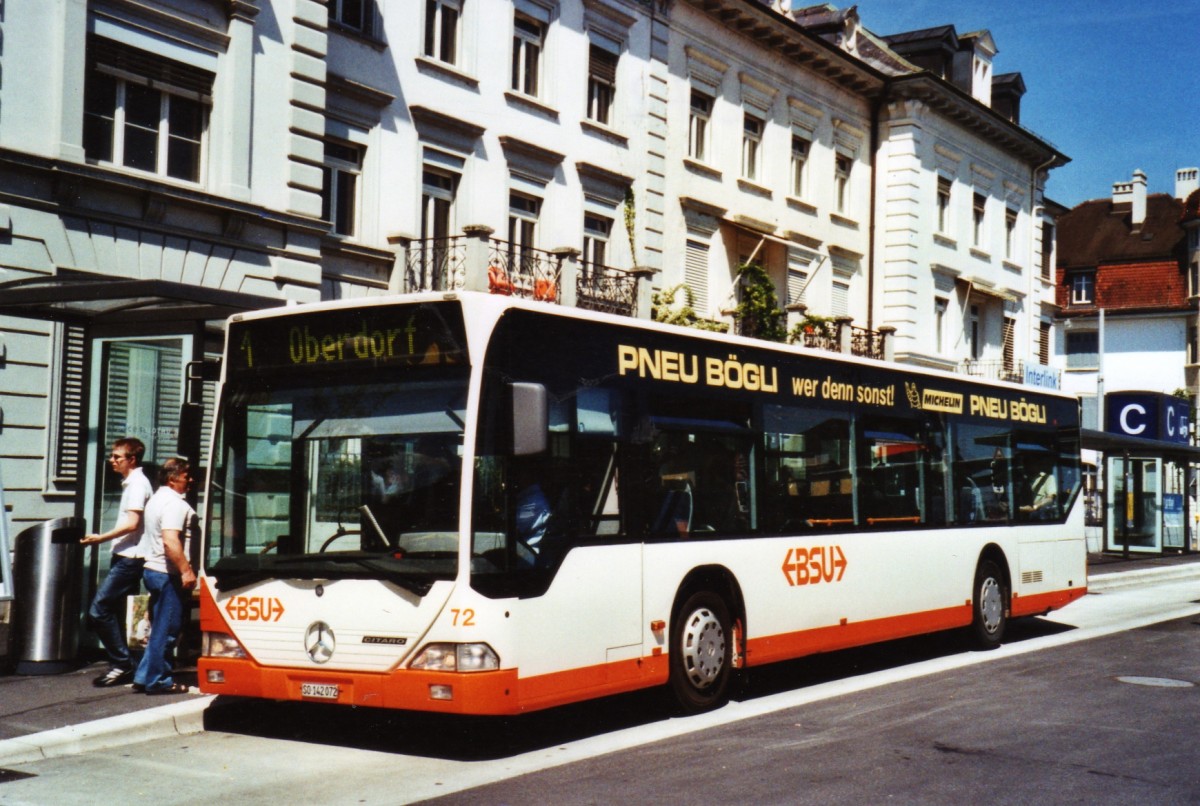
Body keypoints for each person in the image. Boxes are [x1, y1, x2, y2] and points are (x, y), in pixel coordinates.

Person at [81, 437, 153, 687]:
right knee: (124, 614)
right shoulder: (132, 483)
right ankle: (133, 665)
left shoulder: (137, 485)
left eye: (117, 457)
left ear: (132, 460)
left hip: (130, 558)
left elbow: (133, 523)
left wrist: (100, 538)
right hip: (126, 555)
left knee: (99, 610)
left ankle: (122, 664)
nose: (112, 461)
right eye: (112, 456)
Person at [134, 457, 197, 695]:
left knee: (159, 628)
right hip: (168, 573)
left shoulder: (156, 500)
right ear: (173, 478)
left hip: (153, 570)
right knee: (168, 631)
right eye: (186, 475)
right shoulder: (174, 504)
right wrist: (186, 570)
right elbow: (171, 542)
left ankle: (144, 676)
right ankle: (159, 681)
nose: (190, 480)